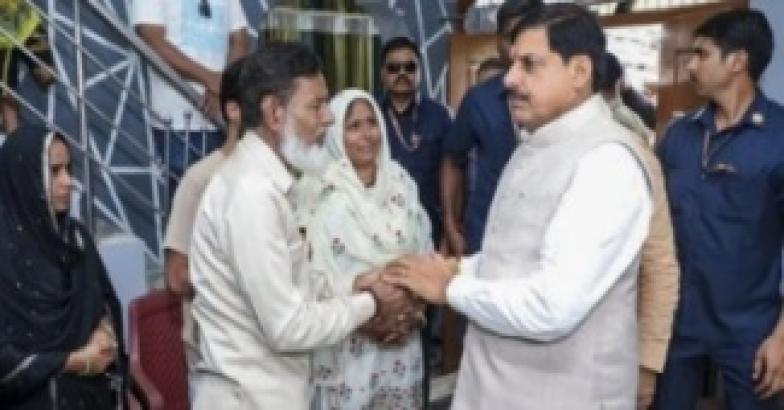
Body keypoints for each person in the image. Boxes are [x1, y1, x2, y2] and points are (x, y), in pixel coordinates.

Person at [386, 4, 653, 408]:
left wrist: (451, 287)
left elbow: (553, 305)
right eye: (513, 63)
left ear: (579, 72)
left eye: (529, 64)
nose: (510, 79)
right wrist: (457, 268)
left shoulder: (606, 163)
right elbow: (514, 256)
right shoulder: (537, 142)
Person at [188, 42, 409, 410]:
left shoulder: (269, 183)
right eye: (316, 105)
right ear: (275, 114)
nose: (328, 118)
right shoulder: (251, 195)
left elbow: (294, 287)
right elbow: (288, 327)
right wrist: (371, 303)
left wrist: (354, 285)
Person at [653, 9, 784, 409]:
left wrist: (782, 337)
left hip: (750, 327)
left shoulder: (778, 137)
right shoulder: (680, 134)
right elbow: (653, 227)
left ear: (737, 61)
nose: (691, 65)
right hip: (678, 321)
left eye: (702, 54)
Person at [296, 89, 429, 409]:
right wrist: (371, 316)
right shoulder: (318, 191)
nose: (367, 134)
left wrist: (409, 312)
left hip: (402, 339)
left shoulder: (402, 183)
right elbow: (309, 276)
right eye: (354, 126)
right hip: (350, 345)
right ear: (336, 135)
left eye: (372, 123)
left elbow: (425, 252)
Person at [0, 126, 125, 409]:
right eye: (53, 172)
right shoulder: (5, 257)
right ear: (23, 180)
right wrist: (75, 361)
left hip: (91, 396)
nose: (68, 182)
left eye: (68, 169)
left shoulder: (75, 239)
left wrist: (104, 333)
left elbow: (105, 301)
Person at [162, 56, 245, 375]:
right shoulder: (201, 179)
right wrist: (245, 276)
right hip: (216, 352)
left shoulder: (285, 177)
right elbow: (176, 277)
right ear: (233, 110)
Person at [440, 0, 542, 257]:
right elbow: (452, 159)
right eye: (510, 38)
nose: (517, 49)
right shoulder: (479, 100)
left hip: (541, 239)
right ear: (498, 41)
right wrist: (450, 226)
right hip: (484, 238)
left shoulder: (557, 97)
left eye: (525, 37)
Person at [133, 0, 248, 195]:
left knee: (221, 202)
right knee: (185, 206)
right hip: (177, 122)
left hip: (221, 121)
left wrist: (222, 84)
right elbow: (151, 39)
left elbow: (240, 39)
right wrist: (212, 80)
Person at [377, 36, 451, 247]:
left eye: (409, 67)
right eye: (393, 68)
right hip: (380, 228)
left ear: (419, 72)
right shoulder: (371, 115)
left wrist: (449, 228)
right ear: (382, 74)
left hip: (430, 225)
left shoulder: (439, 115)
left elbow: (451, 172)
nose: (402, 73)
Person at [0, 0, 55, 133]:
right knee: (8, 97)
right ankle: (13, 136)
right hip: (3, 44)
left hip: (28, 26)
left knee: (48, 76)